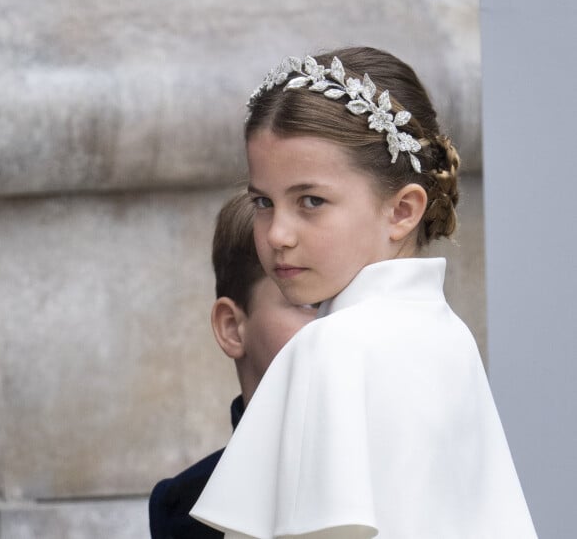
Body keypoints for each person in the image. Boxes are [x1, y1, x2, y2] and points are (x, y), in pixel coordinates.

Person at [191, 47, 537, 538]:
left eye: (311, 201)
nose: (277, 235)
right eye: (263, 202)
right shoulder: (449, 338)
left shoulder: (330, 347)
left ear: (402, 211)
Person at [149, 192, 317, 538]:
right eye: (309, 303)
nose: (338, 323)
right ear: (231, 327)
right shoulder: (184, 508)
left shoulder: (409, 469)